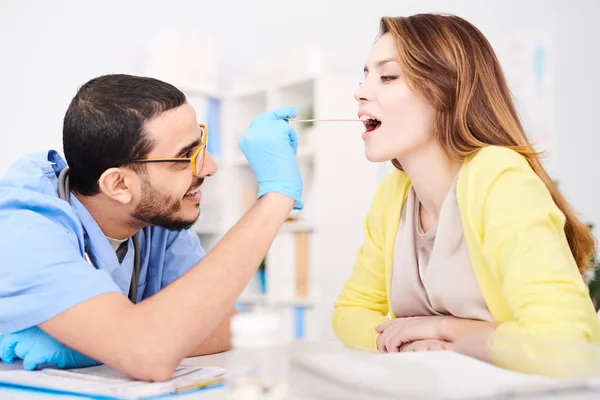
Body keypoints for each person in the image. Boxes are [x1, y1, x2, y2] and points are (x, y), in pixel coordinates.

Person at [332, 13, 600, 373]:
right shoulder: (392, 195)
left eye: (388, 76)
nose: (361, 91)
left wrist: (442, 330)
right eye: (364, 76)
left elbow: (563, 345)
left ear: (445, 91)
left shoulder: (498, 177)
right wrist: (419, 345)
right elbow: (349, 313)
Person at [0, 74, 303, 381]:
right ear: (118, 184)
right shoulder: (24, 228)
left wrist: (99, 346)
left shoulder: (155, 215)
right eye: (185, 156)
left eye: (201, 146)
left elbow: (221, 325)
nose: (209, 167)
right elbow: (149, 355)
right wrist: (275, 199)